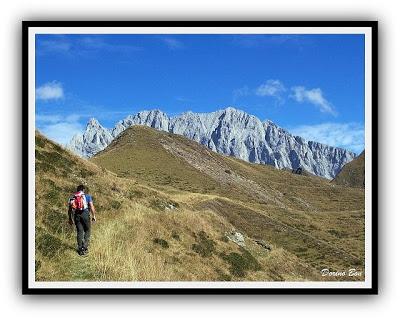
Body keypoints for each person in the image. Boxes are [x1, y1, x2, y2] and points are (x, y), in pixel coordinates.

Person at [68, 185, 97, 256]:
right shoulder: (87, 196)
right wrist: (93, 216)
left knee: (79, 231)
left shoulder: (72, 197)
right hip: (85, 213)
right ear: (83, 190)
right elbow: (92, 206)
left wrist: (70, 218)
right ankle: (85, 247)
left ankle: (80, 249)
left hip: (76, 215)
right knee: (87, 230)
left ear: (77, 190)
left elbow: (70, 210)